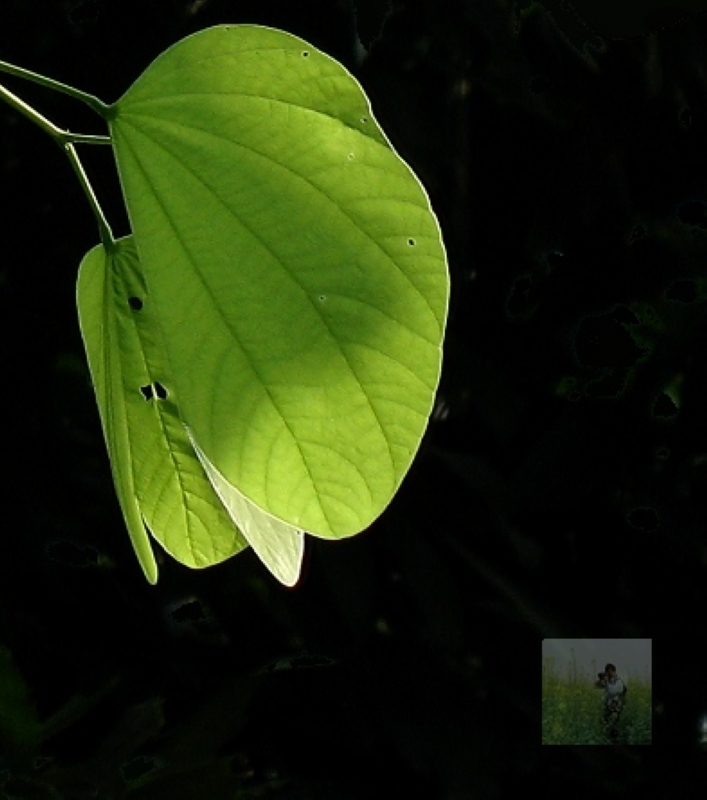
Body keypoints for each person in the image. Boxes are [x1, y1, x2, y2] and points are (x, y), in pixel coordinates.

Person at [595, 663, 627, 742]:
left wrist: (607, 682)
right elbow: (596, 686)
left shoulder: (619, 682)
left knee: (613, 728)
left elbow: (612, 692)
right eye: (607, 673)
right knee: (606, 727)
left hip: (616, 709)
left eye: (609, 673)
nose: (609, 675)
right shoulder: (609, 681)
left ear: (614, 671)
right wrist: (601, 679)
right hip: (608, 708)